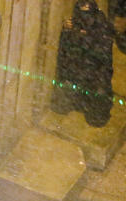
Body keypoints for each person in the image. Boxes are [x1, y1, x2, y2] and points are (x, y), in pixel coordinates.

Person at [51, 0, 115, 128]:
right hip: (80, 71)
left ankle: (93, 108)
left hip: (96, 73)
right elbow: (67, 53)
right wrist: (68, 31)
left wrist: (80, 35)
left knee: (98, 109)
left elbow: (100, 55)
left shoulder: (100, 24)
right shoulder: (77, 23)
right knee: (61, 102)